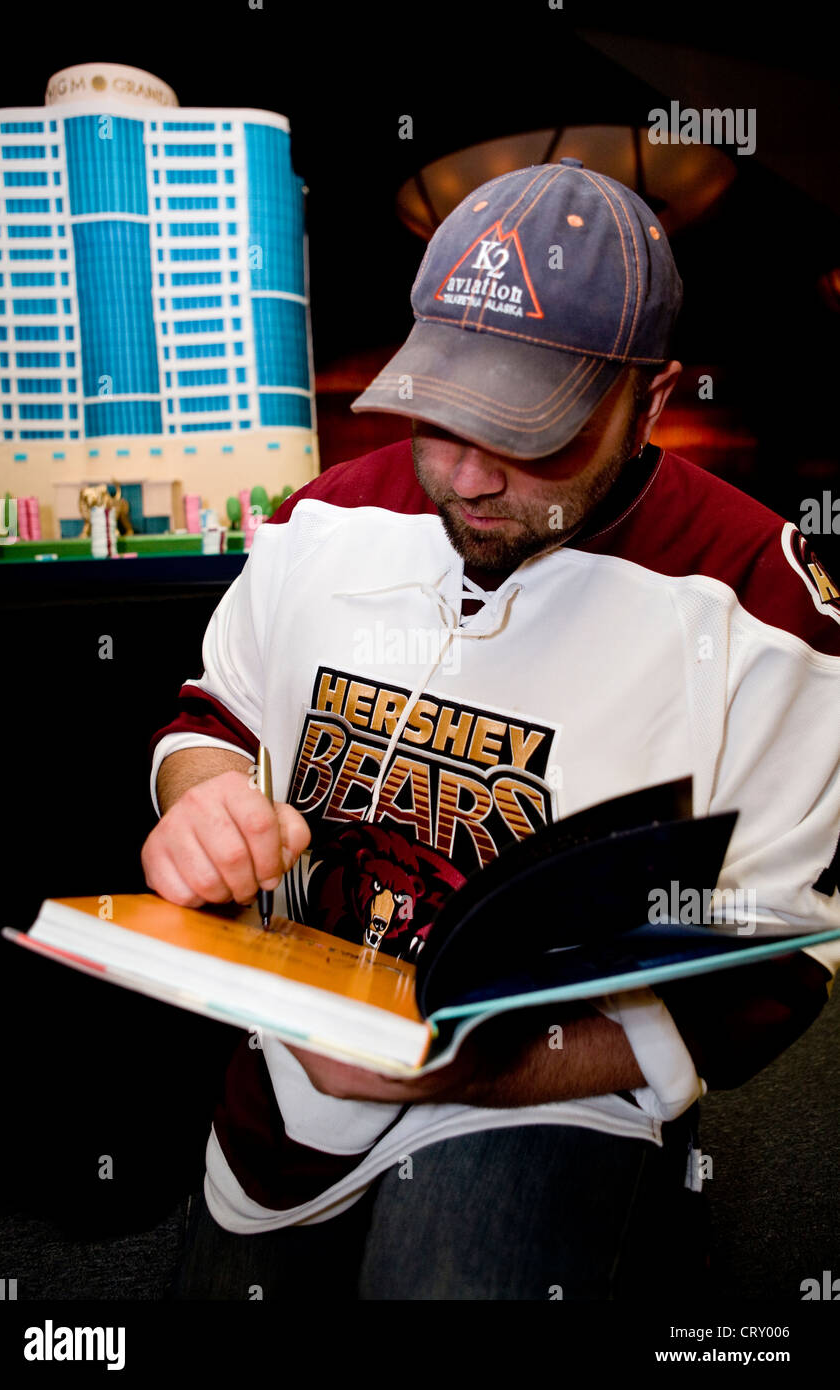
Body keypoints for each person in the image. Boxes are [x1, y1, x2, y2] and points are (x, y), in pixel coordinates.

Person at [143, 160, 840, 1301]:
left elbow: (778, 960)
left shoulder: (758, 602)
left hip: (552, 1083)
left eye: (532, 431)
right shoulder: (325, 518)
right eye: (443, 414)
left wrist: (483, 1070)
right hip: (294, 1057)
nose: (466, 476)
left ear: (649, 400)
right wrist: (202, 799)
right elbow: (210, 716)